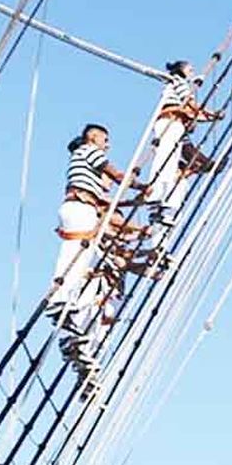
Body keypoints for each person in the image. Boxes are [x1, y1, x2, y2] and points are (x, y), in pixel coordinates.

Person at [48, 124, 141, 324]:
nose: (107, 146)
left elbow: (105, 200)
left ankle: (64, 303)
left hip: (79, 206)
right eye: (105, 140)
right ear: (93, 137)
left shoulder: (82, 162)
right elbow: (115, 174)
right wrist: (140, 186)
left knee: (79, 256)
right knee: (77, 253)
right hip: (80, 207)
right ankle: (60, 299)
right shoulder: (88, 151)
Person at [145, 61, 219, 227]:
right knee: (165, 161)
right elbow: (190, 104)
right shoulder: (179, 81)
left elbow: (193, 113)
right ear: (182, 70)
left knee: (169, 165)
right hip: (170, 121)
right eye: (190, 69)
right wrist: (211, 115)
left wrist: (209, 116)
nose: (192, 71)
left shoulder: (176, 85)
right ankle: (155, 196)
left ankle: (161, 206)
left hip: (173, 123)